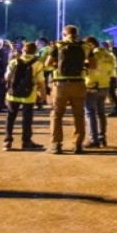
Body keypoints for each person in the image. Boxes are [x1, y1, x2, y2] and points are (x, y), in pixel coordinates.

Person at [45, 26, 89, 154]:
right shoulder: (85, 46)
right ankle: (78, 145)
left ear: (64, 34)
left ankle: (56, 144)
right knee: (79, 115)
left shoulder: (58, 45)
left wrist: (56, 65)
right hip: (79, 84)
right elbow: (93, 64)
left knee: (57, 114)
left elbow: (48, 64)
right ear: (77, 34)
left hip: (61, 85)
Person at [2, 42, 43, 151]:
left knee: (10, 117)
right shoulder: (37, 64)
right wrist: (42, 95)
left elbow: (7, 77)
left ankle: (7, 141)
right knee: (27, 118)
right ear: (35, 51)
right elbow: (41, 82)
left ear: (23, 50)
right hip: (29, 94)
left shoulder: (14, 61)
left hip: (13, 93)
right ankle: (26, 141)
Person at [83, 36, 115, 148]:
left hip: (92, 86)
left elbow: (87, 68)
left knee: (90, 113)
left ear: (90, 45)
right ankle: (102, 137)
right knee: (101, 113)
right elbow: (112, 70)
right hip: (105, 85)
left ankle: (93, 139)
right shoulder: (108, 54)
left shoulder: (92, 55)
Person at [105, 37, 117, 116]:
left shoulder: (111, 53)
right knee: (111, 93)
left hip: (110, 75)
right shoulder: (109, 53)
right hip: (110, 75)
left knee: (111, 93)